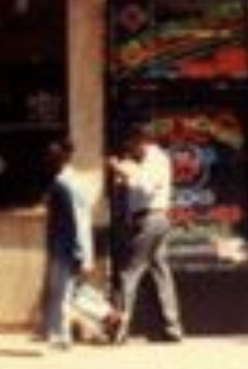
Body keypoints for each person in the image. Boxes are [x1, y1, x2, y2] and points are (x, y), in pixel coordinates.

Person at [105, 125, 183, 344]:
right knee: (160, 273)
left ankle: (119, 327)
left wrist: (121, 169)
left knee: (129, 273)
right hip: (153, 220)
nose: (131, 151)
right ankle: (172, 327)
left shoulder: (155, 159)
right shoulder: (146, 161)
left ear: (142, 141)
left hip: (151, 219)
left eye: (133, 146)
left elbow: (145, 188)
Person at [38, 137, 95, 350]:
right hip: (62, 246)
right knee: (61, 291)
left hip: (65, 247)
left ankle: (62, 336)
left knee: (62, 292)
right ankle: (56, 334)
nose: (49, 159)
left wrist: (85, 255)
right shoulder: (65, 181)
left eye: (53, 155)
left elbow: (80, 220)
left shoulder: (65, 183)